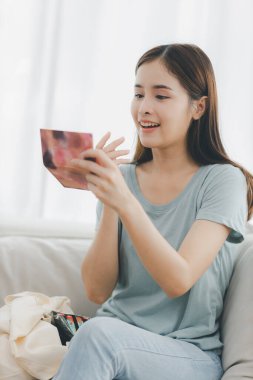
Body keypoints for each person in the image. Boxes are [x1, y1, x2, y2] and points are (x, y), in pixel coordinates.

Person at [53, 43, 253, 380]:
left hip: (188, 354)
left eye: (161, 96)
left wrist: (125, 201)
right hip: (112, 337)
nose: (144, 108)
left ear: (198, 107)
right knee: (97, 333)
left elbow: (179, 279)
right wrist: (113, 197)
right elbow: (97, 291)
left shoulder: (223, 181)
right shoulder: (124, 178)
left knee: (99, 335)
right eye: (138, 94)